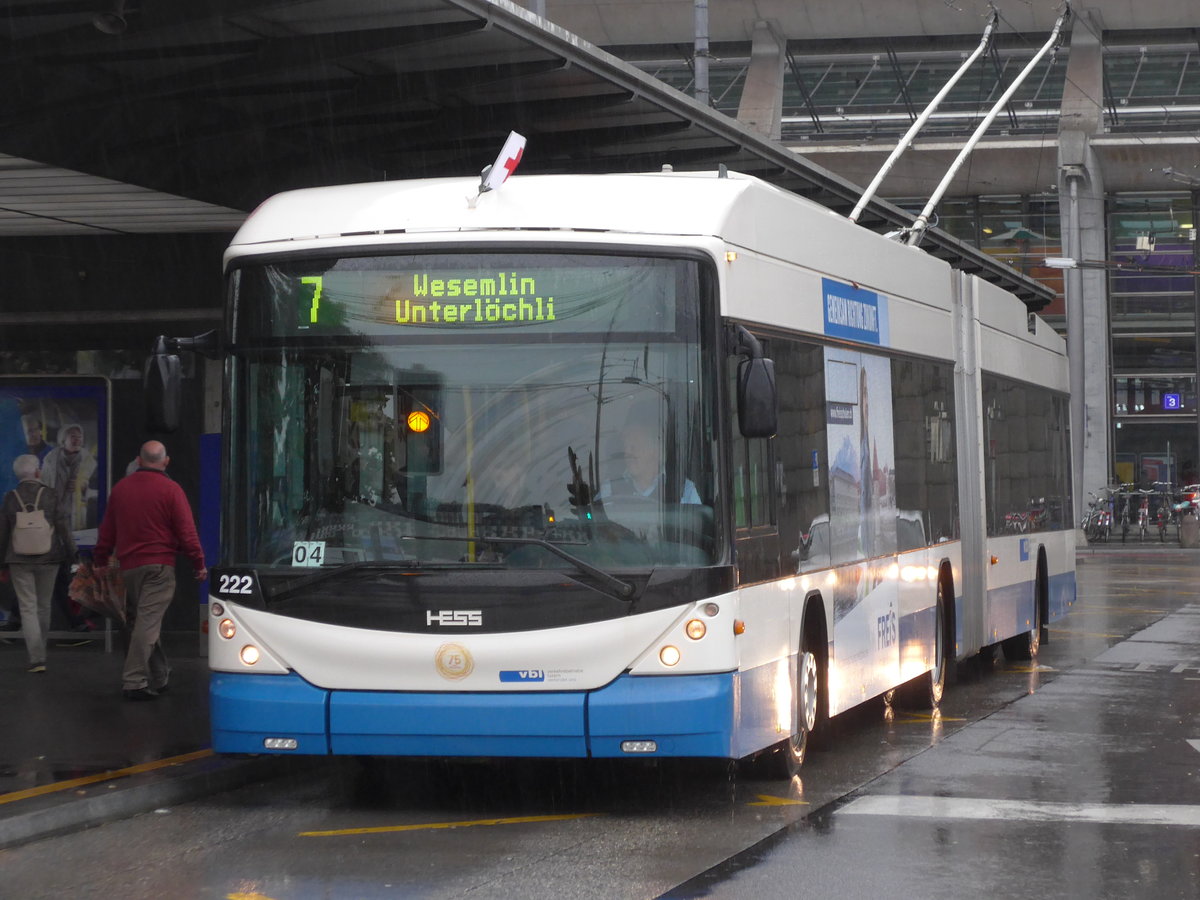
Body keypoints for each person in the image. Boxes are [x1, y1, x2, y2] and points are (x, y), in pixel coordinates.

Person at [93, 440, 207, 701]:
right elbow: (187, 534)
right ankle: (134, 681)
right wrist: (198, 564)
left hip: (127, 568)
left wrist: (100, 561)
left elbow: (107, 532)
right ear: (165, 462)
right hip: (159, 567)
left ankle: (160, 674)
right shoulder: (171, 490)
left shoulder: (120, 490)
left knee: (143, 621)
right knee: (147, 623)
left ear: (140, 460)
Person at [0, 454, 76, 673]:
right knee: (44, 606)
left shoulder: (10, 498)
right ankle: (40, 651)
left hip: (18, 560)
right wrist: (73, 555)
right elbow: (64, 528)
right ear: (37, 472)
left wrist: (1, 564)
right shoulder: (51, 495)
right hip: (49, 558)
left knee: (27, 608)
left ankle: (36, 658)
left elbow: (3, 534)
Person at [598, 413, 701, 504]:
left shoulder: (684, 490)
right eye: (625, 446)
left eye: (634, 446)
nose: (627, 453)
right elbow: (590, 519)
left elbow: (698, 525)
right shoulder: (610, 487)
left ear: (656, 450)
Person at [41, 423, 98, 531]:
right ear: (63, 440)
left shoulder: (90, 462)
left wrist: (84, 487)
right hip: (54, 514)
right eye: (73, 436)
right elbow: (43, 486)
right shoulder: (50, 460)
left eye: (79, 437)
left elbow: (98, 491)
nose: (77, 440)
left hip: (77, 515)